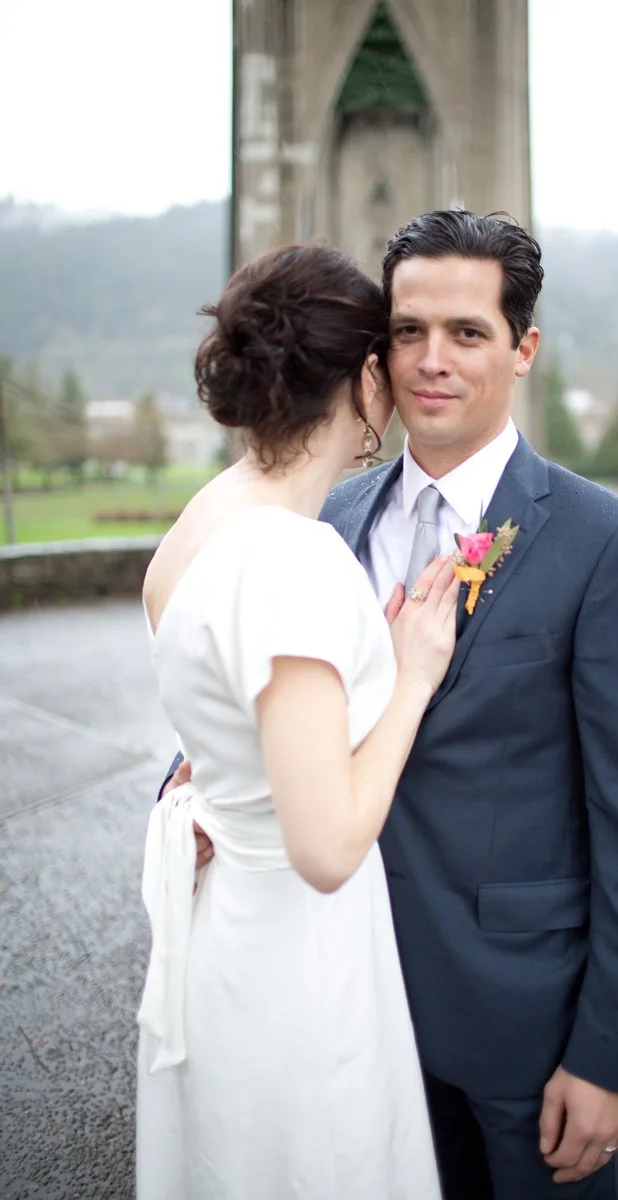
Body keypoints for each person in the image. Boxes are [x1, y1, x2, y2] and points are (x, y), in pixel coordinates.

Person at [177, 210, 618, 1200]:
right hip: (344, 1008)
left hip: (521, 1031)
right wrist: (208, 777)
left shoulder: (606, 547)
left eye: (466, 333)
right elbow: (264, 693)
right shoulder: (322, 520)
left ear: (522, 348)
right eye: (407, 331)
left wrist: (607, 1056)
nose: (430, 360)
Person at [136, 242, 458, 1199]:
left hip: (223, 936)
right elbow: (325, 848)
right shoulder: (297, 561)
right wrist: (412, 677)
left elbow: (223, 737)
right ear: (365, 377)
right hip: (298, 963)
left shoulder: (197, 527)